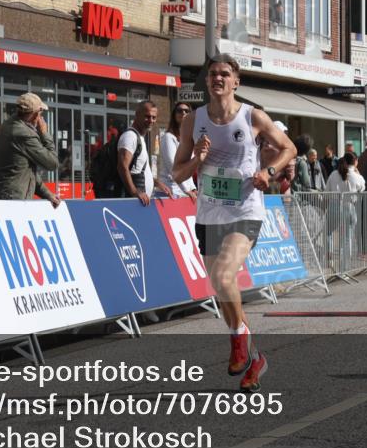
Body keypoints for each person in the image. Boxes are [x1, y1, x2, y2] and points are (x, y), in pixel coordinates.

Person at [171, 54, 295, 392]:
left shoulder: (251, 116)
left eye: (225, 74)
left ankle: (239, 344)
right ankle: (254, 357)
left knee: (225, 276)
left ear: (236, 81)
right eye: (212, 74)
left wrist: (267, 172)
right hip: (209, 214)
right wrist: (197, 156)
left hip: (245, 210)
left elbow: (289, 148)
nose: (218, 79)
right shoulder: (192, 122)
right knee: (223, 290)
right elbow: (177, 173)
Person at [0, 92, 61, 209]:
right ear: (35, 115)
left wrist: (48, 194)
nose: (41, 117)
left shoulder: (9, 125)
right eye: (40, 113)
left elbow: (27, 171)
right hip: (11, 201)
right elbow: (52, 163)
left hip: (1, 196)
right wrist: (44, 133)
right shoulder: (24, 133)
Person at [118, 100, 170, 205]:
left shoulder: (140, 137)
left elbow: (137, 168)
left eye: (154, 117)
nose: (151, 120)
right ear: (137, 115)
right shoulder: (130, 137)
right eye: (147, 116)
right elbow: (122, 167)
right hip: (133, 202)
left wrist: (156, 183)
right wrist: (134, 191)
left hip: (141, 202)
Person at [326, 152, 364, 270]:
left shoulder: (333, 174)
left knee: (328, 232)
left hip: (333, 205)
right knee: (347, 238)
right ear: (355, 161)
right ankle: (344, 268)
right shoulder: (357, 176)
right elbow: (362, 189)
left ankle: (329, 259)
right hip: (349, 206)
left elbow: (327, 191)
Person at [157, 102, 197, 200]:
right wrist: (186, 190)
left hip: (184, 193)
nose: (183, 113)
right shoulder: (168, 138)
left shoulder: (189, 139)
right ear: (174, 115)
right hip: (170, 192)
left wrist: (192, 188)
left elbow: (189, 169)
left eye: (186, 111)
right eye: (179, 110)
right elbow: (173, 167)